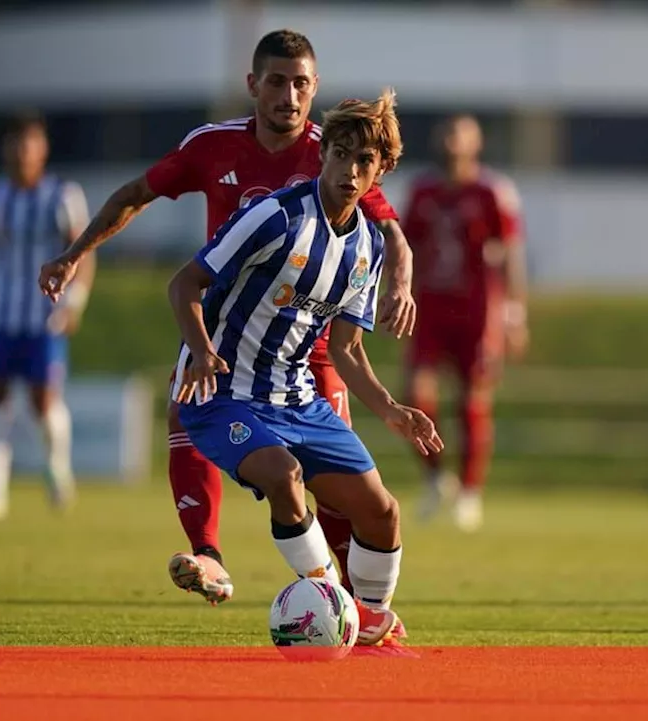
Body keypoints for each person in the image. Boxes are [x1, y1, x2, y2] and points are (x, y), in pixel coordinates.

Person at [38, 29, 416, 605]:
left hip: (312, 347)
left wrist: (401, 287)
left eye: (301, 84)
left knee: (344, 495)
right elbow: (137, 195)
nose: (289, 96)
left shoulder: (340, 151)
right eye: (277, 82)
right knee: (187, 414)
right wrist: (75, 253)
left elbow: (387, 233)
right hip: (226, 331)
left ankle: (358, 610)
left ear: (315, 90)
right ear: (253, 85)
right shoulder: (218, 148)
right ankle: (212, 557)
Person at [171, 89, 437, 652]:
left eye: (364, 162)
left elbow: (346, 351)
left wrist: (391, 409)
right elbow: (184, 284)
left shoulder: (366, 246)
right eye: (340, 154)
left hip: (297, 398)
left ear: (380, 173)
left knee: (382, 513)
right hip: (221, 393)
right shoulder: (274, 216)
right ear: (324, 155)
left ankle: (368, 624)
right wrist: (198, 350)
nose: (349, 169)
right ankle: (327, 600)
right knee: (283, 474)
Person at [399, 115, 528, 532]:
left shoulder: (493, 190)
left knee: (472, 401)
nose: (453, 141)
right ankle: (438, 478)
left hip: (478, 309)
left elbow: (511, 253)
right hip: (431, 307)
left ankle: (470, 493)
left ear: (477, 142)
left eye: (462, 133)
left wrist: (514, 313)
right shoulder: (422, 190)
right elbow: (404, 246)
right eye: (448, 132)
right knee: (414, 395)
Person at [0, 111, 94, 521]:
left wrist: (75, 302)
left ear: (43, 149)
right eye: (15, 144)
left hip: (44, 316)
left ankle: (57, 471)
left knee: (43, 401)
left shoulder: (62, 195)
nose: (22, 152)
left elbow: (83, 253)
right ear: (5, 149)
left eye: (29, 143)